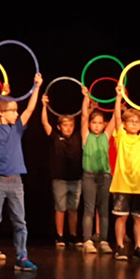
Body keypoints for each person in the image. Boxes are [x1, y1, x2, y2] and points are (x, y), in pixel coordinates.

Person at [0, 72, 42, 272]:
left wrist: (37, 86)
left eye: (16, 111)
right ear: (1, 113)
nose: (16, 113)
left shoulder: (17, 128)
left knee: (19, 221)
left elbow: (31, 108)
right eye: (12, 110)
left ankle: (22, 257)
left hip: (16, 182)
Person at [109, 83, 140, 261]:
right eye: (131, 121)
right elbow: (116, 116)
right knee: (121, 218)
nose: (135, 124)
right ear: (125, 124)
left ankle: (139, 247)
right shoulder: (120, 137)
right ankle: (120, 247)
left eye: (137, 121)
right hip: (122, 184)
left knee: (139, 218)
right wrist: (119, 97)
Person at [41, 93, 83, 248]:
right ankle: (60, 236)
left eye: (71, 125)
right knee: (60, 208)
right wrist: (44, 105)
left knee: (73, 209)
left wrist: (89, 104)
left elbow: (85, 120)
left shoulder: (79, 137)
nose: (68, 128)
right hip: (59, 179)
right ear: (59, 126)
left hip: (76, 179)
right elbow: (44, 122)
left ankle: (72, 235)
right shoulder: (55, 137)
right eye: (65, 125)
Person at [80, 87, 115, 254]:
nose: (97, 126)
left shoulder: (106, 135)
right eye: (94, 123)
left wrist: (119, 96)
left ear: (104, 124)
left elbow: (116, 118)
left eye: (100, 123)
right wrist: (86, 98)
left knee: (104, 210)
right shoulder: (86, 136)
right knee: (88, 209)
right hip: (89, 176)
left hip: (105, 177)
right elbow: (84, 115)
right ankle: (87, 240)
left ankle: (104, 241)